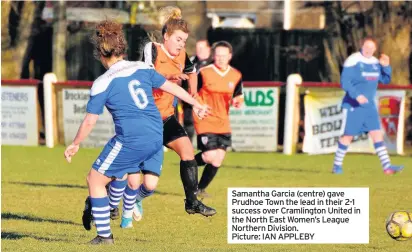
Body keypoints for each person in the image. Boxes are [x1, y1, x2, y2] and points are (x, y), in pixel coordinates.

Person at [66, 20, 209, 244]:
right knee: (119, 176)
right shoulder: (141, 68)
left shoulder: (102, 83)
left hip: (131, 140)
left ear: (102, 55)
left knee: (94, 179)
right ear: (121, 50)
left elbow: (89, 122)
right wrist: (197, 104)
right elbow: (171, 87)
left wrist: (75, 143)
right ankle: (107, 208)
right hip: (156, 137)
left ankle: (104, 235)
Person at [106, 7, 216, 224]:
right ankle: (104, 200)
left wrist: (193, 96)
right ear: (166, 36)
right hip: (143, 119)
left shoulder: (183, 55)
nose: (181, 44)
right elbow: (147, 75)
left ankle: (192, 201)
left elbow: (192, 72)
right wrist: (170, 75)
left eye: (184, 40)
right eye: (178, 39)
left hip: (165, 118)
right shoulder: (153, 49)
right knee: (130, 174)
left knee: (186, 152)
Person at [332, 37, 404, 175]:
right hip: (354, 105)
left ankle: (387, 167)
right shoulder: (353, 60)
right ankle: (337, 166)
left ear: (375, 49)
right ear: (361, 46)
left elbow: (385, 80)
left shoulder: (375, 62)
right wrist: (357, 95)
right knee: (348, 136)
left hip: (369, 106)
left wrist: (386, 66)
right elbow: (345, 82)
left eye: (371, 48)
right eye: (366, 47)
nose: (368, 50)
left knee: (377, 135)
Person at [193, 41, 244, 198]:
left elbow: (239, 95)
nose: (221, 59)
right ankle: (188, 163)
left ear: (230, 56)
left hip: (223, 121)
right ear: (213, 56)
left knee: (218, 159)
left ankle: (199, 189)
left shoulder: (236, 75)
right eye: (218, 56)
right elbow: (192, 92)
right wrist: (196, 106)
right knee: (209, 156)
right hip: (205, 117)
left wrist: (238, 101)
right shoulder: (203, 72)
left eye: (224, 56)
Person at [181, 39, 212, 143]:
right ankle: (188, 147)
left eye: (202, 48)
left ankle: (206, 147)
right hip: (190, 98)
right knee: (188, 122)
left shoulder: (213, 63)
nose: (199, 50)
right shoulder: (191, 61)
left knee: (205, 124)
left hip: (206, 100)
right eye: (198, 48)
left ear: (208, 49)